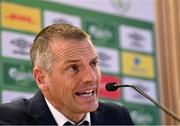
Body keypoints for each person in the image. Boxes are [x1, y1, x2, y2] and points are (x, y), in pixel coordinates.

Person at [0, 23, 134, 125]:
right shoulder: (7, 119)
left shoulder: (118, 117)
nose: (91, 78)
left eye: (93, 64)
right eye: (73, 67)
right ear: (41, 79)